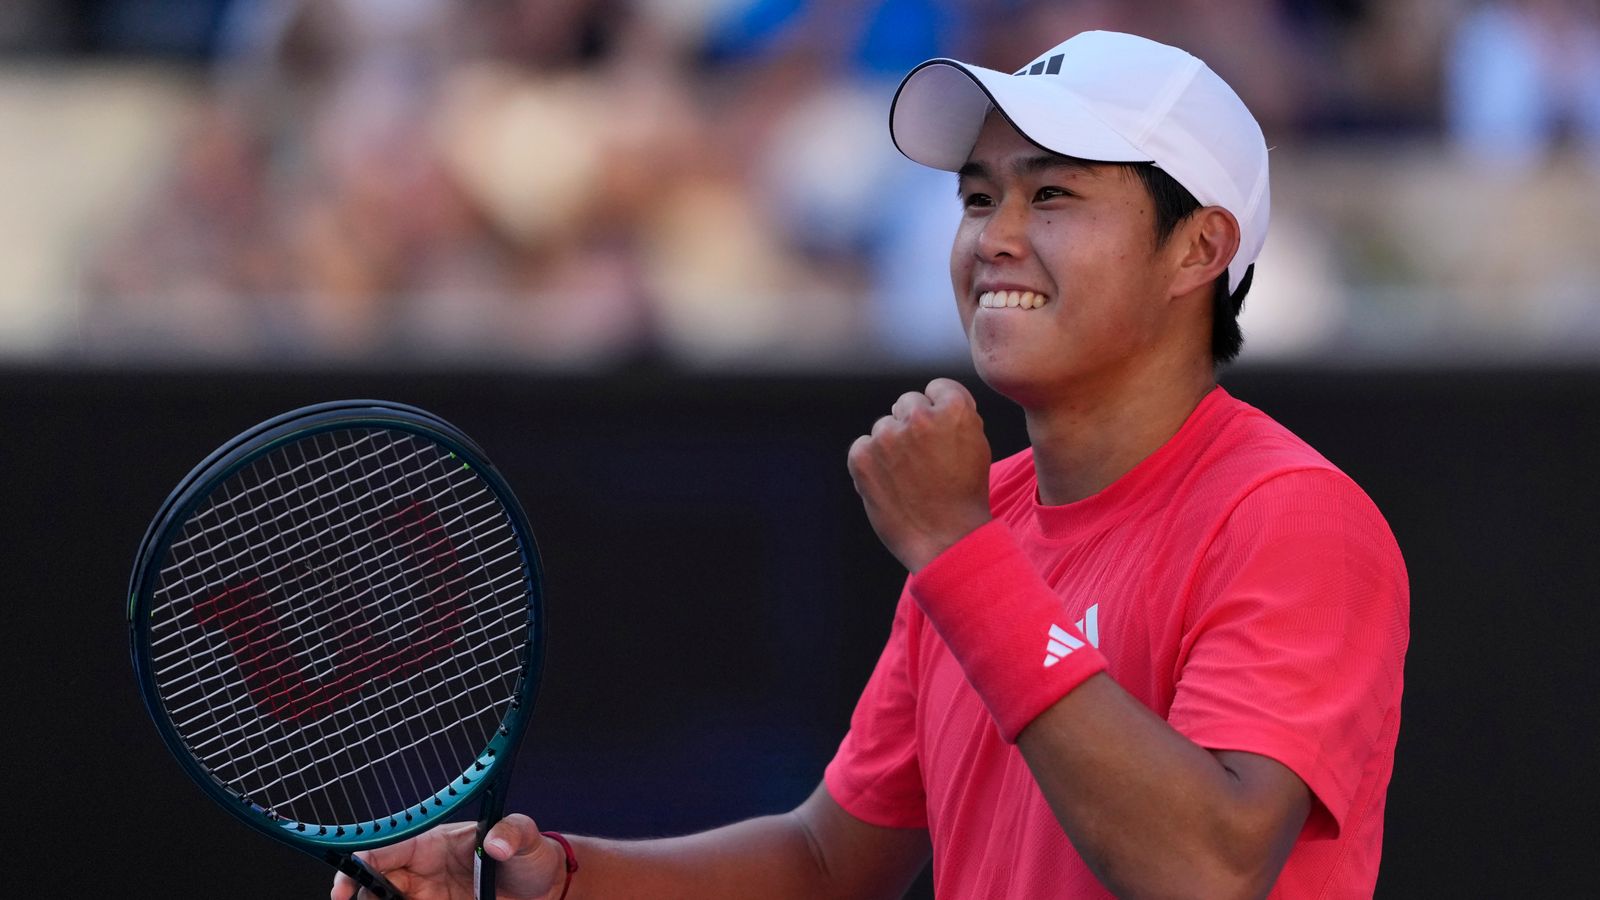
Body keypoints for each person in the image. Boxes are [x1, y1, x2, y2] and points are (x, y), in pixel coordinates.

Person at [332, 30, 1409, 900]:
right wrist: (552, 881)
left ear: (1198, 249)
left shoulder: (1289, 515)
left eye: (1054, 196)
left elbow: (1207, 872)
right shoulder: (983, 523)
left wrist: (956, 552)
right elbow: (828, 862)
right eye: (979, 197)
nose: (992, 236)